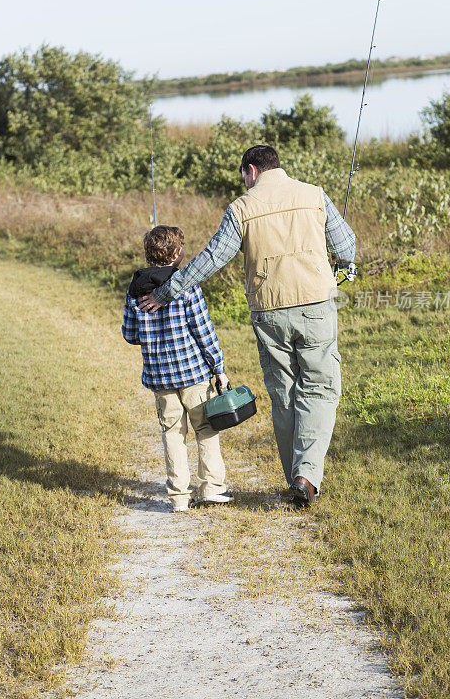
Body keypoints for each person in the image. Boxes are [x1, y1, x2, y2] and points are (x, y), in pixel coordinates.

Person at [138, 146, 356, 507]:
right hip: (317, 304)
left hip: (269, 311)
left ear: (251, 171)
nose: (244, 182)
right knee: (319, 388)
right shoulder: (315, 194)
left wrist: (168, 291)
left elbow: (212, 258)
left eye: (243, 176)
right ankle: (306, 476)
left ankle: (297, 480)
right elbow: (346, 246)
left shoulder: (241, 207)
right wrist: (342, 265)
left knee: (284, 393)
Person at [122, 224, 233, 512]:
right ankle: (211, 488)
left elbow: (130, 335)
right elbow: (203, 331)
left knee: (172, 432)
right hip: (194, 374)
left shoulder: (134, 290)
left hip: (160, 378)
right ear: (175, 254)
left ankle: (180, 498)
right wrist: (218, 368)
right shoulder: (186, 285)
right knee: (205, 427)